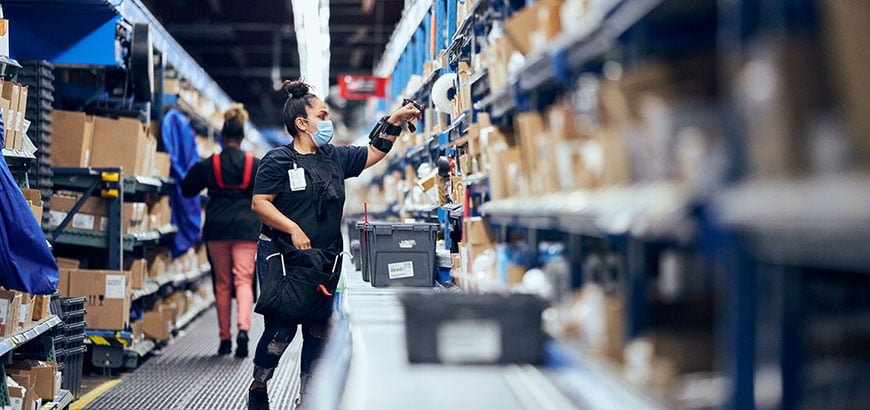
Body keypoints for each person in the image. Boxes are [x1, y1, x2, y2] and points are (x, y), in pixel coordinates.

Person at [246, 80, 421, 409]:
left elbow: (374, 152)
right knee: (280, 332)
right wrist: (292, 228)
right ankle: (260, 381)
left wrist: (393, 122)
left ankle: (307, 398)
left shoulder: (334, 157)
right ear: (302, 123)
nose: (328, 122)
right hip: (283, 258)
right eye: (322, 116)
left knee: (317, 331)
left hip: (325, 260)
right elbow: (260, 203)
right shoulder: (277, 160)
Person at [181, 104, 261, 358]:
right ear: (242, 135)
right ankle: (244, 331)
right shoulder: (255, 164)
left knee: (223, 284)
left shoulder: (210, 164)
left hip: (217, 228)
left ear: (223, 135)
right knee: (244, 279)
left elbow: (187, 188)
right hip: (247, 228)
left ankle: (225, 339)